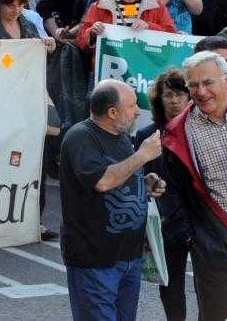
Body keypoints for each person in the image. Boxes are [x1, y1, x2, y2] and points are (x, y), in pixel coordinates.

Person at [60, 79, 166, 321]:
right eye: (132, 105)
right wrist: (142, 155)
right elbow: (102, 181)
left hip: (128, 257)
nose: (138, 111)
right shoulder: (81, 137)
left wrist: (143, 184)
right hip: (94, 260)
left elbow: (120, 175)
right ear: (112, 112)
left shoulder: (120, 136)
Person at [161, 50, 227, 321]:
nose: (201, 92)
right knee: (215, 313)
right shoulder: (178, 132)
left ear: (225, 80)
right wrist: (195, 237)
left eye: (208, 83)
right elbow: (175, 192)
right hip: (214, 237)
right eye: (194, 85)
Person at [133, 66, 191, 320]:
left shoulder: (198, 131)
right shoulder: (147, 135)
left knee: (209, 284)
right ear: (159, 98)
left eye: (180, 94)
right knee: (171, 287)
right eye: (169, 95)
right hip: (167, 221)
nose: (175, 100)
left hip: (201, 219)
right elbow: (138, 178)